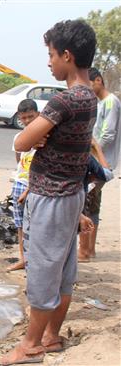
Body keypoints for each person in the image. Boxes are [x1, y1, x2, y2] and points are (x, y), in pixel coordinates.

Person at [1, 19, 98, 366]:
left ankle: (29, 346)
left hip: (51, 198)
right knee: (64, 269)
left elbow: (21, 140)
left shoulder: (65, 101)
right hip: (72, 195)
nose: (49, 62)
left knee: (43, 270)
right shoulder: (90, 98)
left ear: (67, 56)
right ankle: (51, 335)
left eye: (51, 54)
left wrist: (34, 137)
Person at [77, 67, 121, 261]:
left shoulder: (111, 102)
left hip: (101, 162)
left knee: (87, 204)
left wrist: (93, 150)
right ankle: (89, 249)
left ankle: (85, 251)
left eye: (89, 84)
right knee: (92, 204)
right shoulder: (100, 102)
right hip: (97, 160)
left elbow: (108, 134)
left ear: (98, 81)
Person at [6, 99, 39, 272]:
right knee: (20, 224)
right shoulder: (18, 137)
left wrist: (30, 187)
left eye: (31, 117)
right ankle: (23, 259)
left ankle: (36, 262)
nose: (27, 121)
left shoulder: (45, 136)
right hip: (20, 182)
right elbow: (19, 161)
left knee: (36, 224)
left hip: (37, 186)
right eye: (24, 117)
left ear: (38, 115)